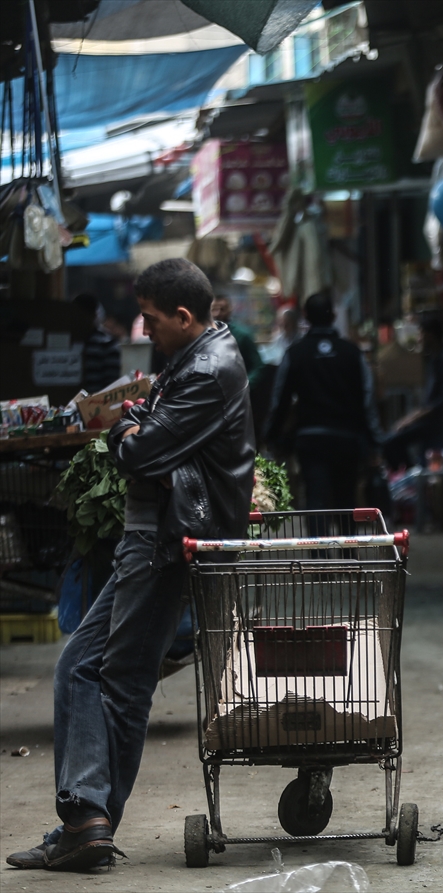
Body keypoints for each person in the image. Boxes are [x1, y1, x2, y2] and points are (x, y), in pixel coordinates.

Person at [7, 258, 255, 872]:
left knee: (112, 679)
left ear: (183, 316)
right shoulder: (194, 359)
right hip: (154, 535)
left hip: (167, 540)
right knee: (87, 670)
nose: (144, 330)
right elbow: (147, 434)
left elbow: (141, 451)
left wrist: (128, 433)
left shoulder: (207, 370)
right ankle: (86, 818)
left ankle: (87, 821)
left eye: (150, 318)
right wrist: (137, 429)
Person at [264, 291, 383, 511]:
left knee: (315, 500)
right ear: (333, 316)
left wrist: (272, 436)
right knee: (346, 502)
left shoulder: (295, 353)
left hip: (310, 439)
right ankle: (347, 535)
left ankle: (318, 535)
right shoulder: (352, 353)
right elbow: (367, 400)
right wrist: (374, 440)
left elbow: (280, 399)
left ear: (306, 316)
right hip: (347, 438)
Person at [382, 314, 443, 469]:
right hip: (432, 420)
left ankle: (410, 476)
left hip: (442, 422)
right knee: (392, 439)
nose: (419, 339)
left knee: (392, 442)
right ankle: (411, 473)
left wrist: (413, 418)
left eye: (421, 334)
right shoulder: (435, 360)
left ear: (430, 335)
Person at [72, 293, 123, 394]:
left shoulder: (107, 344)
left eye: (82, 315)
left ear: (93, 315)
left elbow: (111, 386)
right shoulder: (69, 342)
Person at [211, 295, 265, 387]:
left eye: (222, 309)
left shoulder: (242, 336)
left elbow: (258, 366)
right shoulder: (203, 335)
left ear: (229, 310)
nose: (218, 313)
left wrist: (246, 386)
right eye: (214, 309)